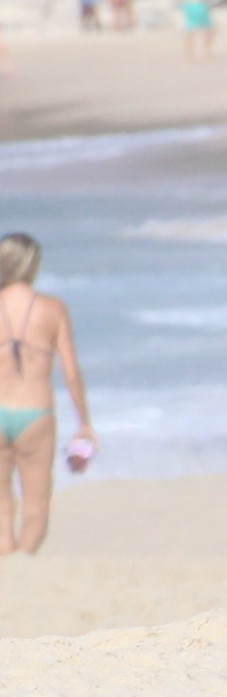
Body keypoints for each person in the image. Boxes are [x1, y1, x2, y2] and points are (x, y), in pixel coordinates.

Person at [0, 233, 95, 556]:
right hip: (36, 414)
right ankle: (22, 567)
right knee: (36, 510)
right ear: (32, 264)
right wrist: (84, 423)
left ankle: (6, 573)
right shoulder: (52, 309)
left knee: (1, 510)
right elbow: (71, 372)